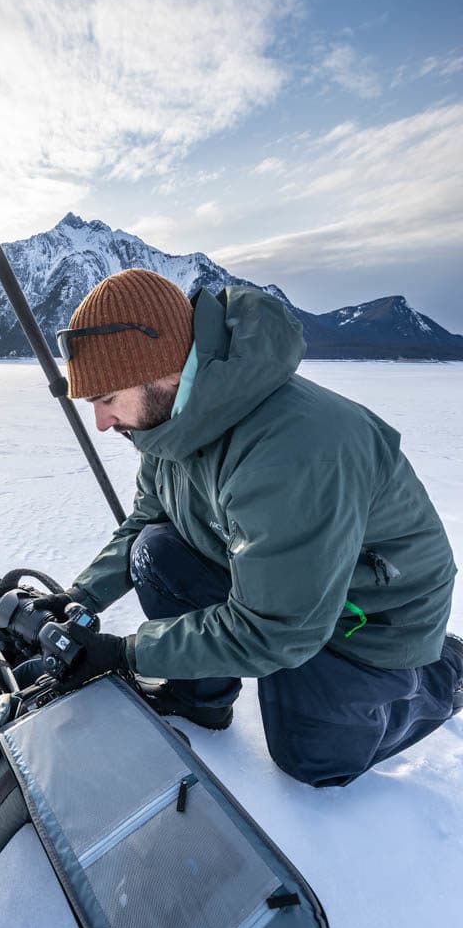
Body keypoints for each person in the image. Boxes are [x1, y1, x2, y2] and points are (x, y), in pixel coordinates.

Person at [40, 267, 463, 788]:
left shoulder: (292, 453)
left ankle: (442, 674)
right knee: (155, 549)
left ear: (161, 370)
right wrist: (80, 598)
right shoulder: (167, 423)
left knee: (312, 759)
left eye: (106, 398)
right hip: (287, 584)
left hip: (374, 617)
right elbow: (151, 516)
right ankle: (200, 696)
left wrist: (128, 651)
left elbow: (275, 630)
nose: (102, 422)